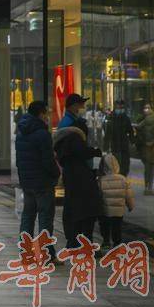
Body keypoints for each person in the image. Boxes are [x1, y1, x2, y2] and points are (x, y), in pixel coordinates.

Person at [53, 94, 102, 249]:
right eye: (80, 104)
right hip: (77, 172)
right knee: (79, 207)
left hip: (76, 171)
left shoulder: (71, 122)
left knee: (75, 206)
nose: (82, 107)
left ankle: (75, 240)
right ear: (73, 105)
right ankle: (77, 241)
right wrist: (92, 152)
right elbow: (74, 150)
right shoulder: (69, 125)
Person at [15, 101, 61, 263]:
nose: (47, 116)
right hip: (43, 182)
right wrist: (56, 173)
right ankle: (47, 255)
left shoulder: (21, 131)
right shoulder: (42, 134)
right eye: (46, 112)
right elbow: (48, 160)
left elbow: (20, 159)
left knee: (27, 217)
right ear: (41, 114)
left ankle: (26, 253)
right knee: (45, 218)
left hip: (27, 182)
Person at [98, 154, 135, 252]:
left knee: (105, 226)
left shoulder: (101, 180)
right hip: (118, 211)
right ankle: (117, 243)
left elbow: (98, 196)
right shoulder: (123, 179)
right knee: (117, 227)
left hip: (105, 210)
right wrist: (130, 206)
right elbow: (129, 195)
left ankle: (106, 241)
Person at [105, 100, 133, 177]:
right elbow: (107, 133)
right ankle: (117, 176)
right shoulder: (111, 118)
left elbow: (130, 130)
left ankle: (123, 175)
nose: (120, 109)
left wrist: (132, 141)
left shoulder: (126, 118)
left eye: (121, 107)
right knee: (115, 162)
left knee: (125, 162)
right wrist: (106, 146)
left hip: (124, 144)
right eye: (118, 107)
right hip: (114, 144)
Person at [136, 104, 154, 195]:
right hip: (153, 147)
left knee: (147, 168)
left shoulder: (144, 121)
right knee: (151, 169)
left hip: (146, 147)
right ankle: (150, 188)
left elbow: (138, 128)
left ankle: (146, 187)